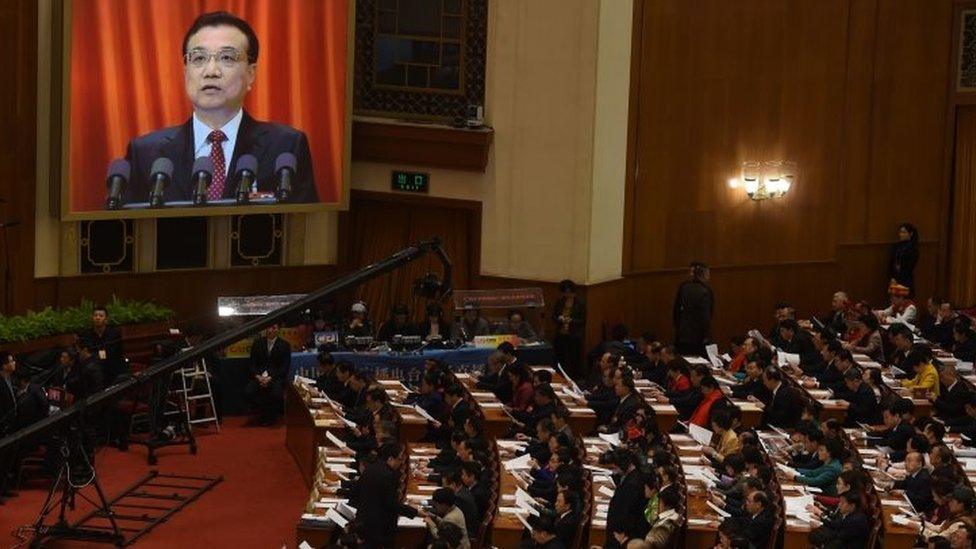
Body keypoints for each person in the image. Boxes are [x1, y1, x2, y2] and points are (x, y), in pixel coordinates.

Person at [121, 11, 317, 206]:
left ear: (251, 73)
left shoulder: (285, 147)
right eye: (199, 58)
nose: (211, 71)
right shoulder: (146, 153)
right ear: (185, 71)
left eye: (227, 58)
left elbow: (305, 227)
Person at [352, 443, 402, 548]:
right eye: (399, 459)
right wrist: (415, 512)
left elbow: (357, 492)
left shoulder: (370, 468)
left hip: (364, 522)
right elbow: (391, 504)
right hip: (379, 527)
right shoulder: (388, 475)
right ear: (390, 459)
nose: (400, 463)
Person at [245, 323, 291, 425]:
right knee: (248, 391)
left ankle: (271, 415)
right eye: (268, 327)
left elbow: (284, 368)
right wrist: (258, 377)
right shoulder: (257, 343)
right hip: (259, 377)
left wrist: (270, 378)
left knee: (276, 392)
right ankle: (262, 413)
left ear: (278, 330)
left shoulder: (285, 345)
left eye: (273, 328)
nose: (270, 330)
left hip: (275, 378)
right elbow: (252, 364)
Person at [605, 450, 648, 547]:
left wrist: (622, 534)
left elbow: (627, 512)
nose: (615, 470)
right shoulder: (633, 476)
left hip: (623, 535)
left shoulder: (632, 485)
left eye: (616, 467)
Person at [672, 261, 714, 355]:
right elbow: (705, 316)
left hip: (682, 334)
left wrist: (678, 327)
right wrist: (706, 335)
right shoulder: (705, 291)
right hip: (698, 337)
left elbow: (676, 310)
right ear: (704, 274)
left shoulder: (684, 287)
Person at [78, 305, 125, 385]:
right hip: (93, 369)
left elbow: (114, 354)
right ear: (92, 318)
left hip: (111, 368)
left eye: (101, 316)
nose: (98, 318)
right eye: (95, 315)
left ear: (106, 319)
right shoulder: (87, 335)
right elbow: (86, 355)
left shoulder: (114, 334)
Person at [552, 280, 586, 378]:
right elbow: (553, 316)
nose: (567, 294)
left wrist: (571, 320)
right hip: (560, 334)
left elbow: (582, 321)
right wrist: (559, 318)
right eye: (565, 292)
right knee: (560, 357)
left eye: (569, 291)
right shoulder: (560, 301)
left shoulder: (580, 303)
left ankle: (575, 377)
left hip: (574, 335)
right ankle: (561, 376)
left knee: (574, 358)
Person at [889, 222, 919, 294]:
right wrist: (893, 277)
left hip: (905, 279)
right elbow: (891, 262)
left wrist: (899, 275)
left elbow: (910, 266)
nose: (901, 234)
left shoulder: (913, 248)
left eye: (904, 232)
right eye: (900, 232)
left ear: (911, 233)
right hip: (894, 278)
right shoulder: (896, 246)